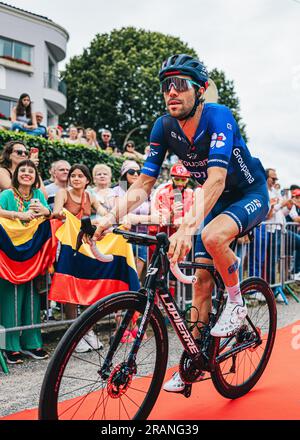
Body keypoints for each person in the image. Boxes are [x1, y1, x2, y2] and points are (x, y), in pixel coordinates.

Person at [92, 53, 269, 392]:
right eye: (165, 86)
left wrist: (187, 227)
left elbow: (216, 179)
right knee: (201, 280)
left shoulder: (219, 116)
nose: (171, 92)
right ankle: (194, 362)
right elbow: (143, 184)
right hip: (213, 200)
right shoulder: (164, 127)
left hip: (247, 193)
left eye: (180, 84)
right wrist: (110, 216)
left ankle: (236, 301)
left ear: (200, 89)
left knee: (215, 236)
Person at [0, 159, 51, 364]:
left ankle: (32, 343)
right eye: (23, 170)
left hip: (32, 253)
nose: (27, 174)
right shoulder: (6, 194)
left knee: (31, 298)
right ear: (16, 174)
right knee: (10, 299)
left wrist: (44, 211)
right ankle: (9, 346)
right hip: (8, 251)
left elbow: (48, 214)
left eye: (31, 171)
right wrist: (18, 214)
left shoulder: (38, 195)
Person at [52, 164, 106, 352]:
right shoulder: (63, 193)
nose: (75, 178)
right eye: (73, 175)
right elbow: (57, 212)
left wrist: (111, 219)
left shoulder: (90, 196)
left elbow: (102, 211)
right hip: (67, 246)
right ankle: (73, 333)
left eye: (80, 176)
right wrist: (64, 215)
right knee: (70, 286)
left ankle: (87, 329)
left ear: (87, 180)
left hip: (85, 246)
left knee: (85, 285)